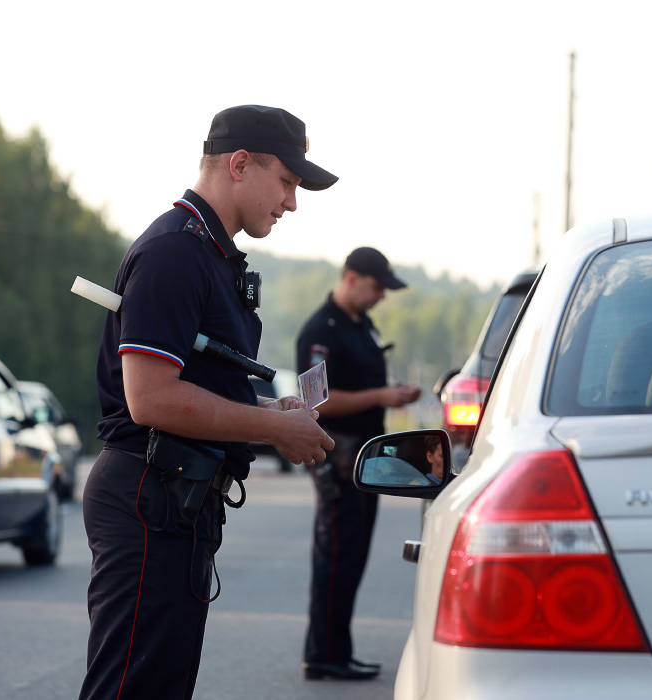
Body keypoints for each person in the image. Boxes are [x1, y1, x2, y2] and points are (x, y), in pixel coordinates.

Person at [78, 105, 338, 700]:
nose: (292, 202)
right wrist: (269, 431)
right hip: (150, 494)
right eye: (288, 183)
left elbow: (202, 379)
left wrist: (270, 414)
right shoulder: (176, 251)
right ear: (240, 164)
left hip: (178, 500)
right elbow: (150, 398)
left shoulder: (211, 252)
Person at [296, 247, 422, 680]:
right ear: (351, 278)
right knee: (335, 555)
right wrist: (382, 397)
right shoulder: (321, 331)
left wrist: (391, 393)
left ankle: (337, 650)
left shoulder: (360, 325)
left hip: (365, 458)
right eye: (376, 287)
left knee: (353, 556)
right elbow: (318, 401)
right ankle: (323, 654)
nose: (381, 297)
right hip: (338, 456)